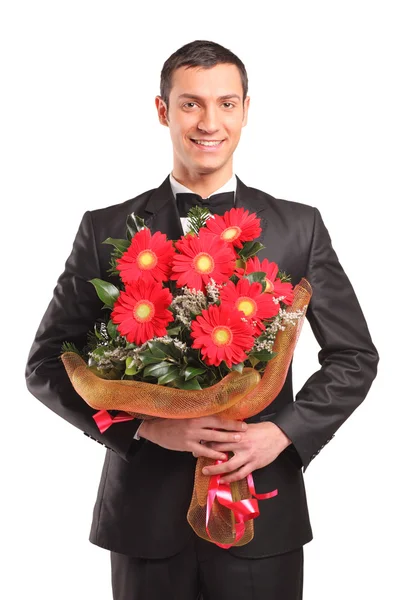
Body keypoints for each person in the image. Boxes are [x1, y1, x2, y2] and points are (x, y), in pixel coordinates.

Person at [25, 40, 379, 600]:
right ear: (163, 111)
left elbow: (355, 357)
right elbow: (46, 365)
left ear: (245, 110)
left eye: (226, 104)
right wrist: (143, 427)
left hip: (262, 511)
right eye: (190, 104)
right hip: (144, 517)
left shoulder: (299, 227)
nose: (209, 122)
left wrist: (283, 433)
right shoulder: (105, 229)